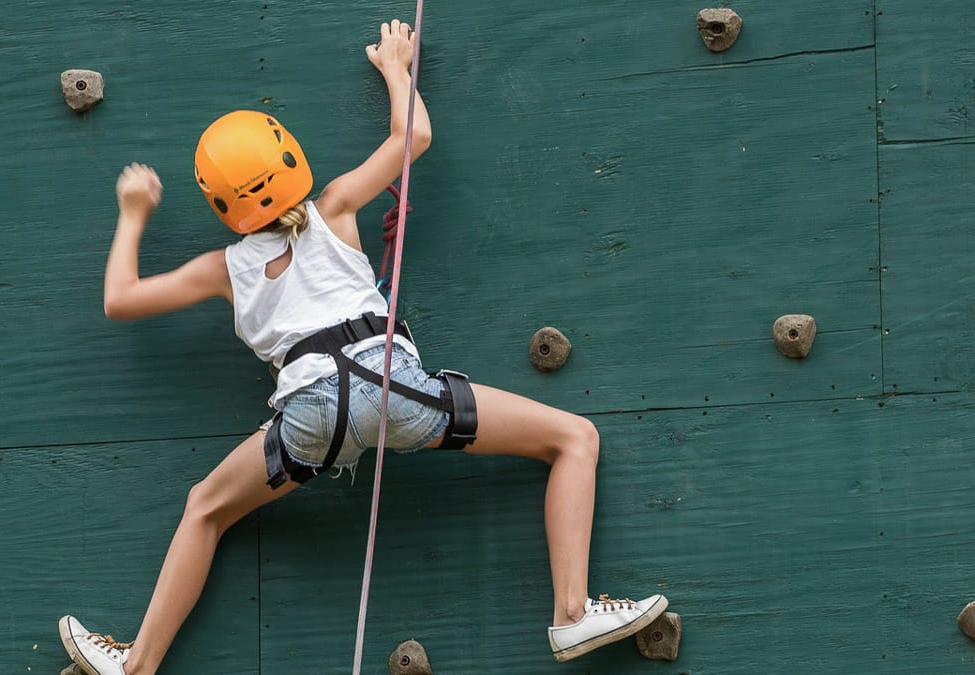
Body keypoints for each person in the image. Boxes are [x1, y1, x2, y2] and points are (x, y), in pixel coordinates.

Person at [59, 18, 667, 675]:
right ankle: (572, 613)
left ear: (221, 202)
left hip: (308, 421)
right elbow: (415, 138)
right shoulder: (334, 207)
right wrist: (397, 67)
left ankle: (139, 663)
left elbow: (120, 298)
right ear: (288, 156)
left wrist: (133, 211)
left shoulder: (223, 269)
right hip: (390, 386)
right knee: (573, 438)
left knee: (205, 507)